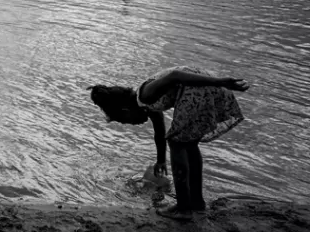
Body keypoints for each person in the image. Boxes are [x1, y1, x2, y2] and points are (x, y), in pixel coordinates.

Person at [90, 66, 249, 219]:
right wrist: (160, 161)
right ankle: (196, 203)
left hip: (201, 86)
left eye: (126, 121)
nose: (135, 124)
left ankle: (183, 208)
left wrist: (220, 81)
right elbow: (159, 132)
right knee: (189, 144)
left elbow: (174, 75)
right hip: (203, 88)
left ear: (125, 110)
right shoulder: (146, 104)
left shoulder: (145, 95)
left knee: (177, 143)